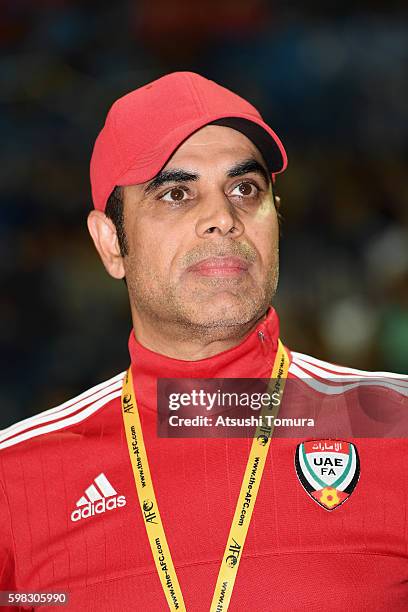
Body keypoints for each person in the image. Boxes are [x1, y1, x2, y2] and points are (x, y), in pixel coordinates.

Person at [0, 72, 407, 612]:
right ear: (110, 243)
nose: (223, 218)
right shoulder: (19, 478)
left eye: (245, 189)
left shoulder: (394, 426)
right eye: (175, 193)